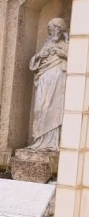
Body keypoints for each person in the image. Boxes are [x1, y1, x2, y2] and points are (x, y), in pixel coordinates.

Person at [25, 17, 69, 152]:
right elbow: (34, 63)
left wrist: (61, 53)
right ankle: (39, 140)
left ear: (61, 30)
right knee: (39, 109)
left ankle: (51, 142)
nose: (53, 31)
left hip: (58, 78)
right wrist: (40, 56)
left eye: (56, 28)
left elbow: (75, 61)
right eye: (51, 29)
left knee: (53, 108)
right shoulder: (47, 44)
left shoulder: (67, 45)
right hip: (43, 78)